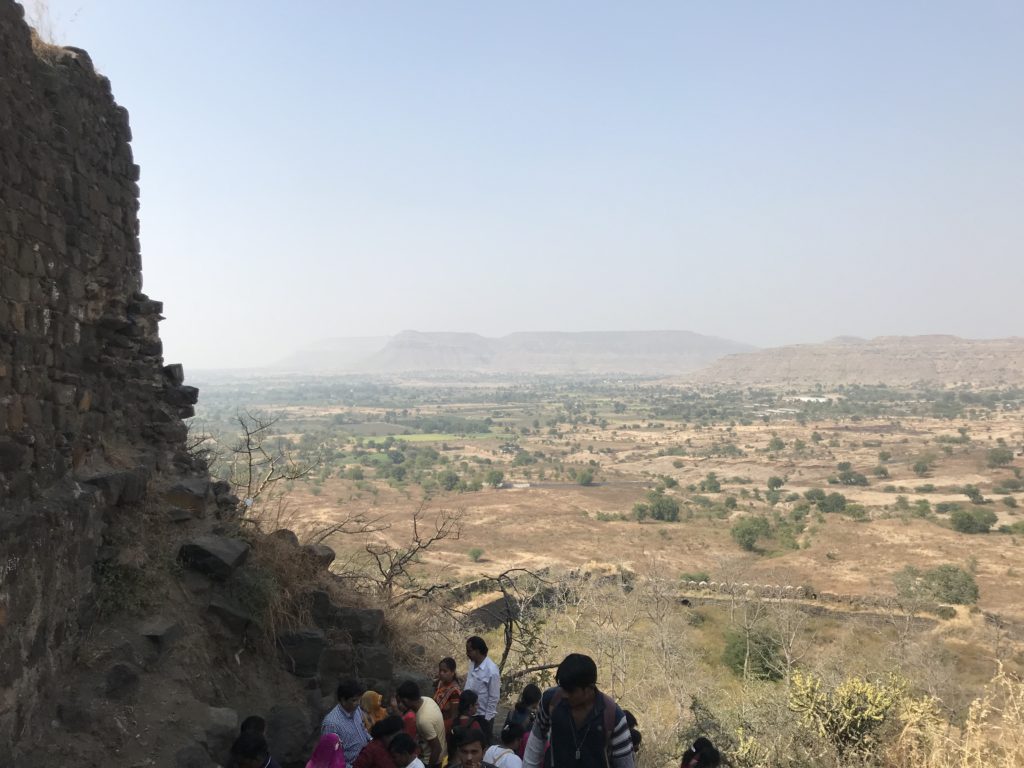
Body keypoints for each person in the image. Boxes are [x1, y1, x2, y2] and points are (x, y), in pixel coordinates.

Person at [522, 654, 635, 768]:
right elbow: (536, 742)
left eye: (570, 691)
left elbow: (625, 763)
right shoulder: (551, 701)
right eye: (563, 688)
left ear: (589, 688)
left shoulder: (613, 715)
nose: (564, 695)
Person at [397, 680, 448, 768]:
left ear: (406, 700)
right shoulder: (427, 699)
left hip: (431, 760)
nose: (400, 704)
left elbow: (437, 748)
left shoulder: (423, 720)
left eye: (401, 701)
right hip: (443, 754)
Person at [322, 679, 371, 764]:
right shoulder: (332, 724)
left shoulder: (356, 709)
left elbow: (363, 730)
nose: (358, 703)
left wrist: (371, 740)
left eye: (359, 699)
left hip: (366, 756)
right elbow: (330, 758)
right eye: (354, 700)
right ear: (343, 700)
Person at [464, 636, 501, 742]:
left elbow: (494, 696)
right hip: (469, 712)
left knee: (482, 744)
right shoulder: (472, 664)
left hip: (483, 716)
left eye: (469, 651)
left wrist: (487, 719)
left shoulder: (491, 670)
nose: (467, 653)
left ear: (478, 650)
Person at [503, 685, 541, 756]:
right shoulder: (533, 717)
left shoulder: (512, 712)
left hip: (507, 749)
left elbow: (505, 729)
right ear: (536, 701)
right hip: (522, 752)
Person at [434, 657, 462, 737]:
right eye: (440, 670)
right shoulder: (439, 683)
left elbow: (454, 716)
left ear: (453, 672)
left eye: (445, 671)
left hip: (445, 726)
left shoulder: (454, 691)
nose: (441, 673)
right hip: (436, 722)